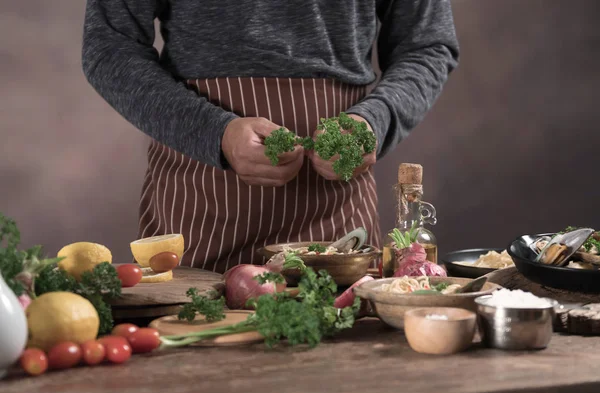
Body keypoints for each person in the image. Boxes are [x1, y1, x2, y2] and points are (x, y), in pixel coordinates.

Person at [82, 0, 459, 274]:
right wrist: (216, 133)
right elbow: (109, 47)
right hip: (201, 214)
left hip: (339, 227)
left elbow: (426, 45)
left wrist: (375, 121)